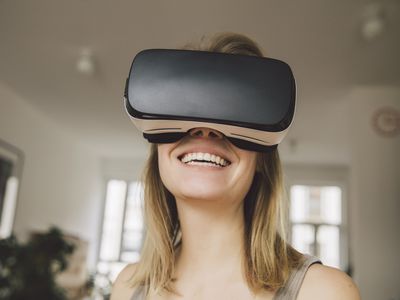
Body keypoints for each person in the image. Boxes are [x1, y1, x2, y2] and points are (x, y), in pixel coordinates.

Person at [111, 32, 361, 300]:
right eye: (186, 110)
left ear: (261, 160)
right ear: (157, 154)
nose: (205, 130)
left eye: (231, 113)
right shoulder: (128, 287)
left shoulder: (323, 292)